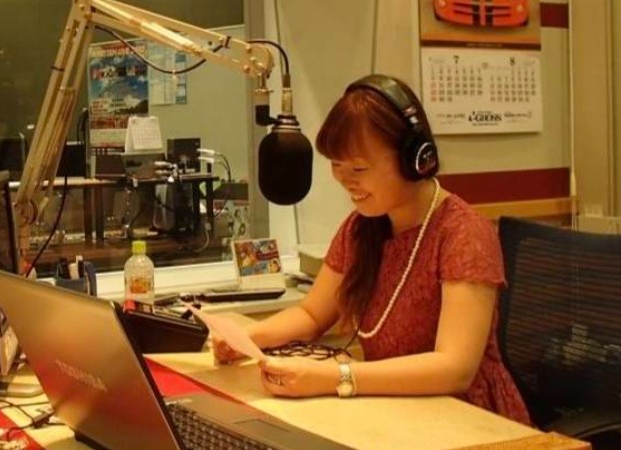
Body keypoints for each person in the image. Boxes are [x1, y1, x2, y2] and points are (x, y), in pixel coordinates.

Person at [213, 74, 531, 425]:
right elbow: (312, 315)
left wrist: (335, 377)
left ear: (415, 159)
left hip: (469, 419)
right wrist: (246, 339)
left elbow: (454, 368)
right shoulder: (361, 228)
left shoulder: (464, 234)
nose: (345, 180)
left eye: (359, 168)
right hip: (396, 410)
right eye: (336, 165)